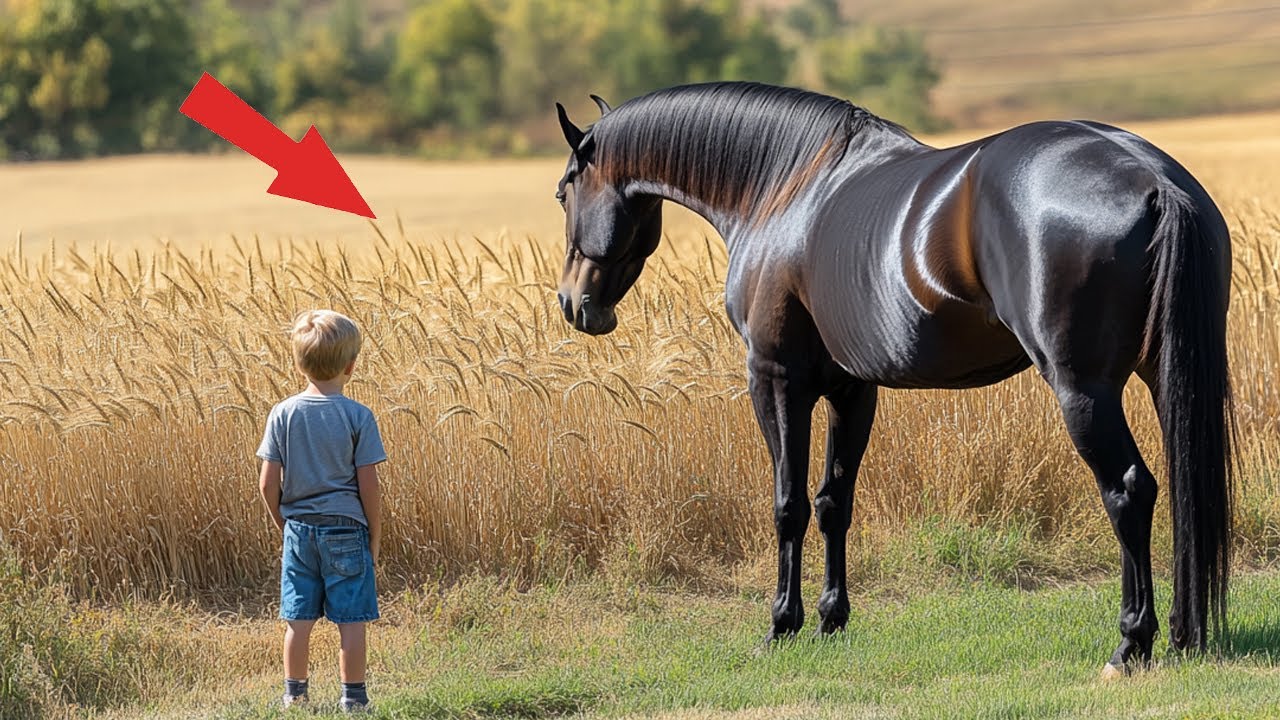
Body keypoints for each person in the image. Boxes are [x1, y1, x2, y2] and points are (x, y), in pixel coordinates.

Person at [256, 309, 386, 713]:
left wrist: (285, 524)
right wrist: (373, 537)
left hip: (298, 529)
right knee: (351, 622)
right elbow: (369, 487)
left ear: (298, 364)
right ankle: (354, 701)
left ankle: (294, 697)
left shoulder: (283, 412)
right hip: (347, 529)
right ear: (351, 366)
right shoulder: (358, 416)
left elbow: (266, 483)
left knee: (298, 621)